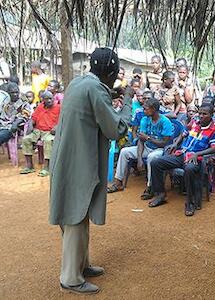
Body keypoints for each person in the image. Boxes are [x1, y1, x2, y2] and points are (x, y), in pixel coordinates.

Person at [49, 47, 132, 294]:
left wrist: (109, 93)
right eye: (115, 75)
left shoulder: (79, 83)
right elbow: (115, 129)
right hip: (79, 163)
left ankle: (81, 264)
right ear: (112, 72)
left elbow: (92, 103)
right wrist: (126, 101)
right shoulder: (96, 89)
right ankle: (71, 278)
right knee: (75, 216)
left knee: (79, 212)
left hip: (67, 159)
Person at [148, 103, 215, 216]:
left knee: (189, 169)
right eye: (200, 113)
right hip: (182, 153)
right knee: (156, 162)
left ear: (211, 115)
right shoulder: (194, 122)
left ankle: (190, 202)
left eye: (205, 114)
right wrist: (176, 144)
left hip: (198, 158)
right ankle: (160, 194)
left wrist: (197, 154)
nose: (201, 116)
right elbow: (184, 133)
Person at [107, 97, 173, 197]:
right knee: (125, 151)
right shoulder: (145, 119)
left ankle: (150, 187)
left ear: (154, 109)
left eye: (146, 108)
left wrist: (148, 138)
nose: (144, 110)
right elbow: (141, 140)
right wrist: (139, 159)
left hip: (161, 150)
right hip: (147, 147)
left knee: (152, 158)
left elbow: (164, 143)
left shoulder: (165, 121)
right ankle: (118, 182)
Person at [0, 82, 31, 174]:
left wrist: (16, 123)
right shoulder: (6, 101)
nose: (15, 94)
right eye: (12, 92)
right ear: (8, 93)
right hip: (0, 124)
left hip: (10, 127)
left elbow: (25, 115)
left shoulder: (24, 103)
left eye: (16, 92)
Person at [20, 91, 60, 177]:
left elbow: (63, 121)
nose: (49, 101)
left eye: (51, 98)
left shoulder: (58, 107)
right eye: (47, 99)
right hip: (38, 130)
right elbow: (33, 118)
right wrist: (30, 124)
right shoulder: (40, 107)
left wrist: (56, 127)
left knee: (48, 141)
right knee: (26, 139)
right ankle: (29, 166)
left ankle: (47, 168)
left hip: (49, 131)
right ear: (43, 100)